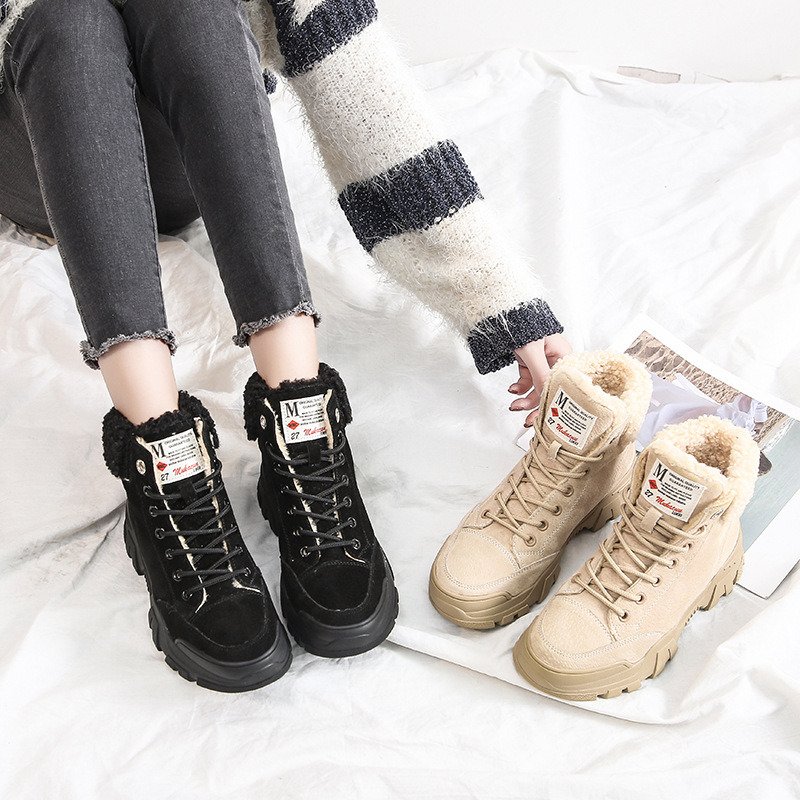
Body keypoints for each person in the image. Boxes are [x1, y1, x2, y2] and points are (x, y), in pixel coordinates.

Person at [0, 0, 570, 691]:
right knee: (67, 18)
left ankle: (298, 415)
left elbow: (365, 92)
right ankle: (160, 450)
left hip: (177, 155)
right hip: (39, 149)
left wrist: (502, 300)